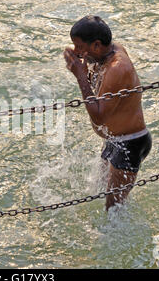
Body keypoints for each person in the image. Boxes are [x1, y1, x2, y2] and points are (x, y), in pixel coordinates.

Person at [63, 15, 152, 211]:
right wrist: (83, 69)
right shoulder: (106, 53)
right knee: (97, 193)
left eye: (79, 47)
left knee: (113, 210)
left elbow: (99, 116)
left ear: (96, 45)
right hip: (113, 140)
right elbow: (101, 91)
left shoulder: (118, 67)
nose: (76, 52)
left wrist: (80, 76)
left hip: (130, 143)